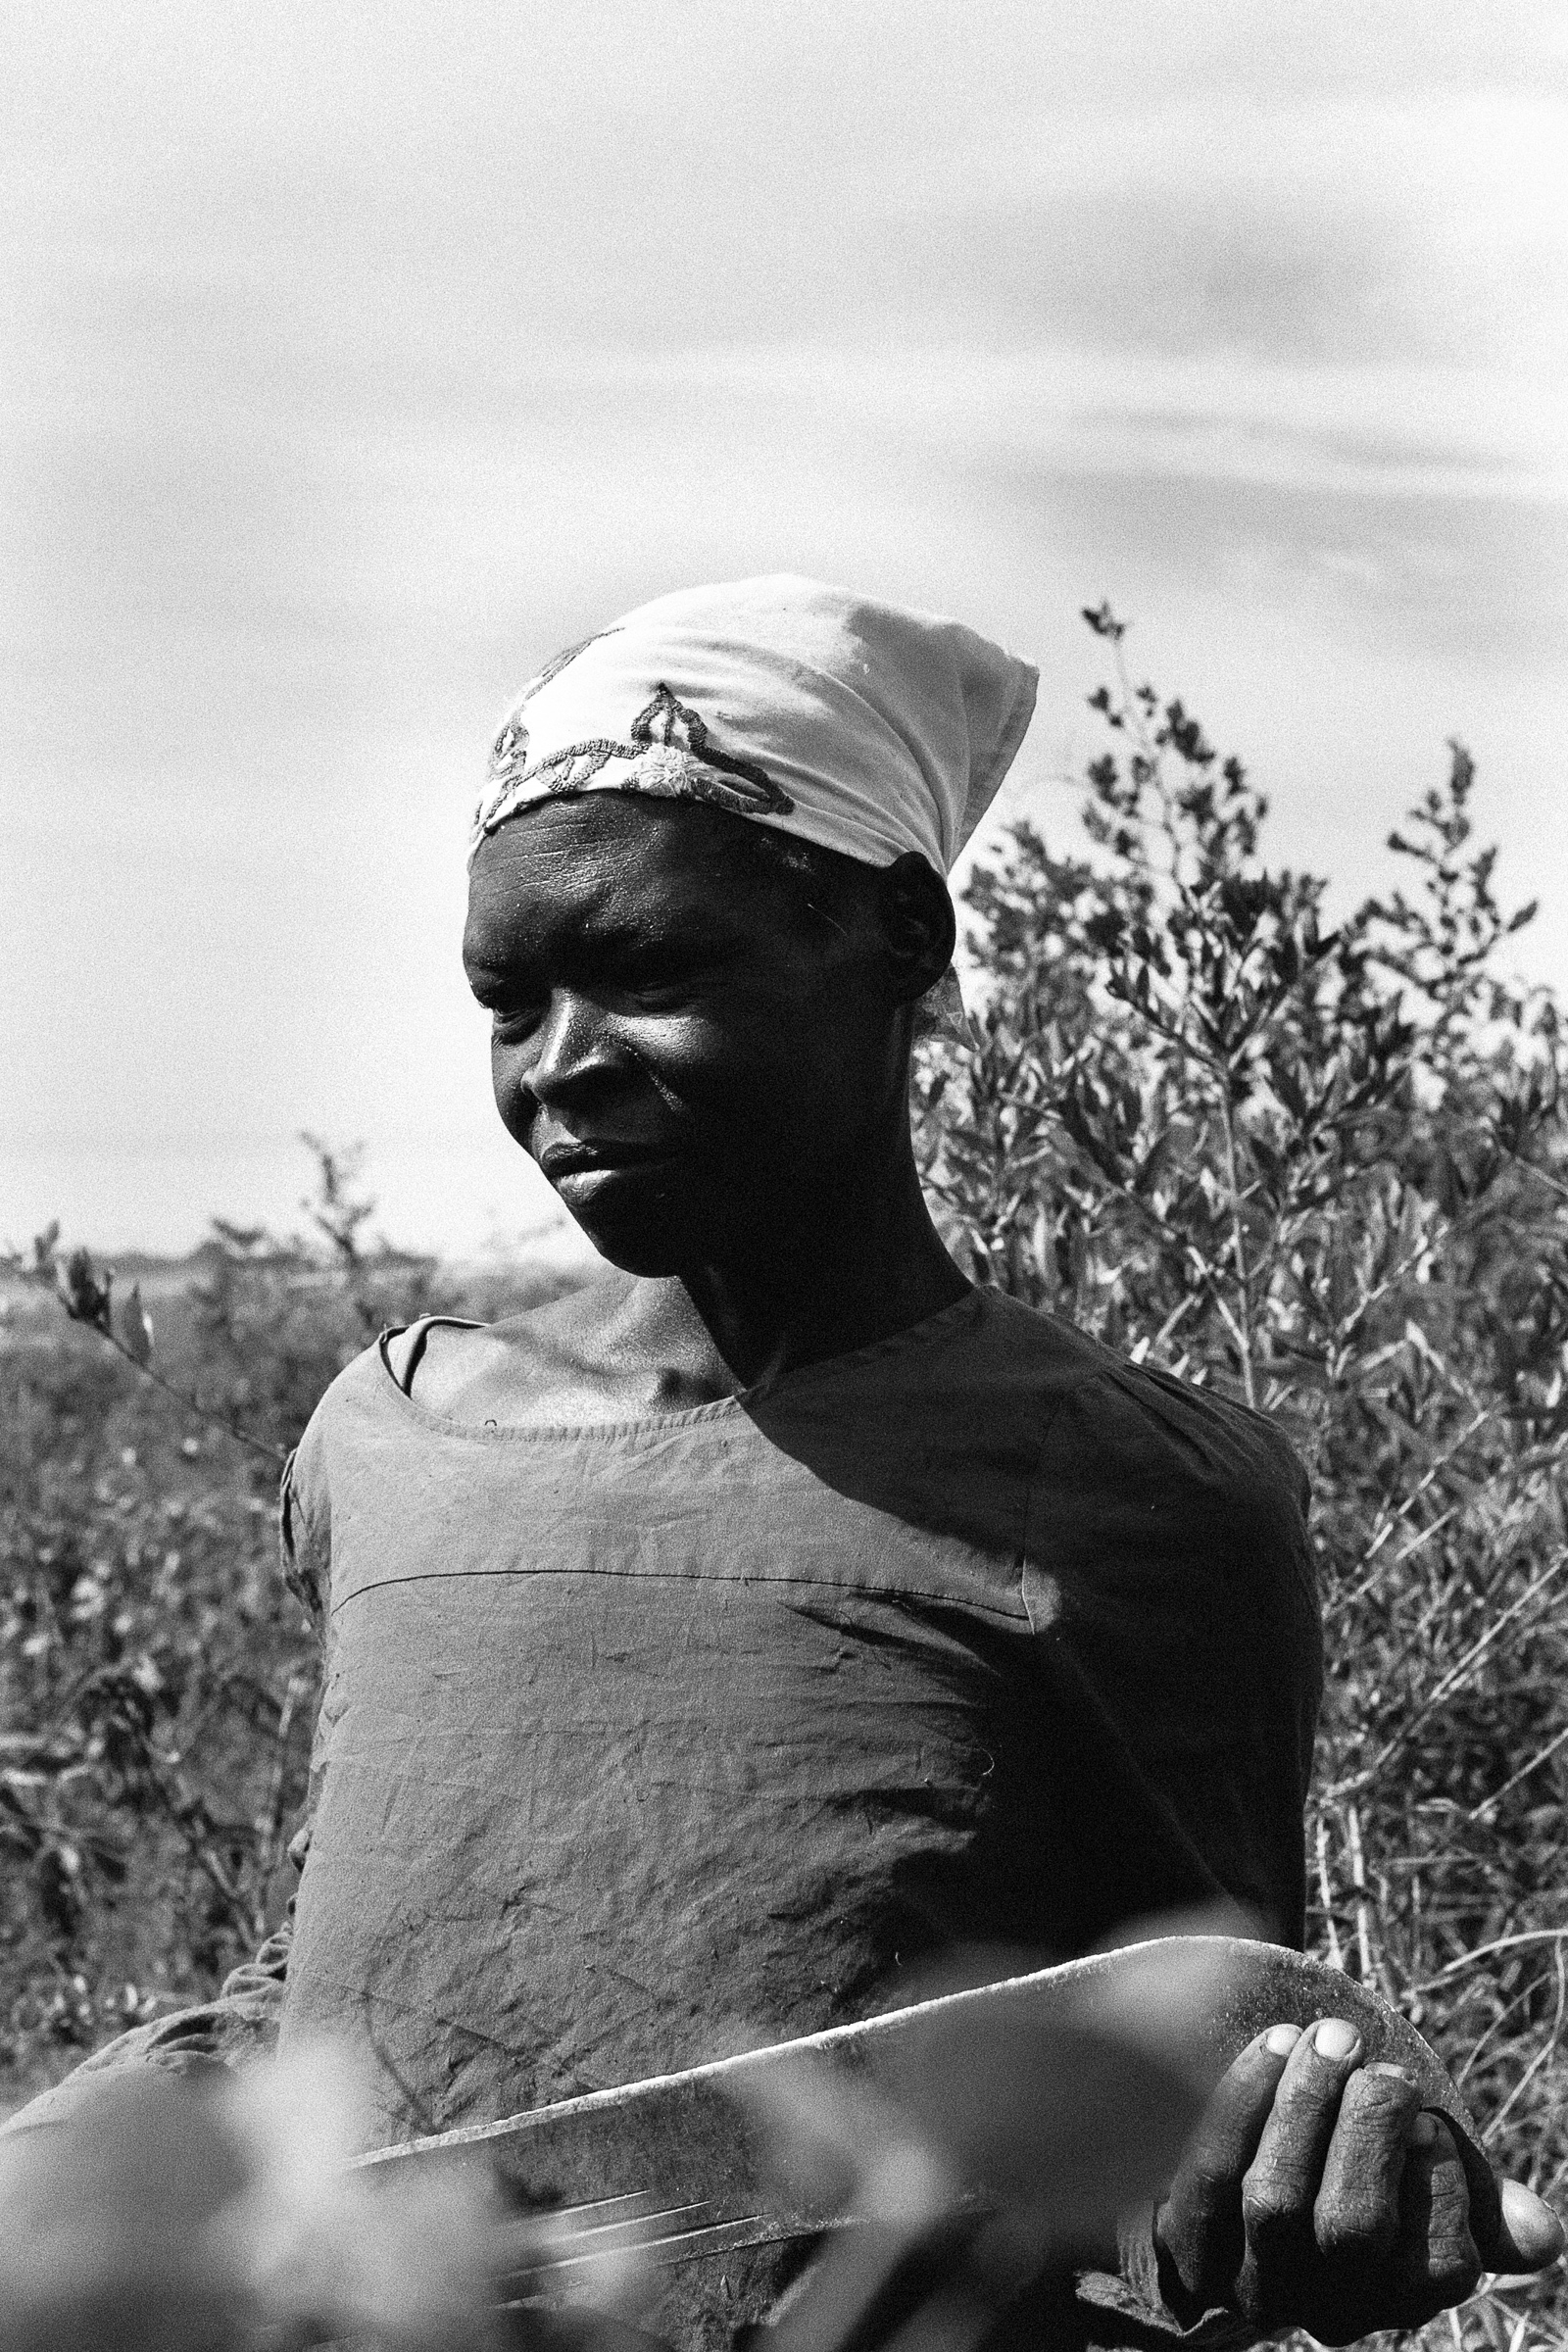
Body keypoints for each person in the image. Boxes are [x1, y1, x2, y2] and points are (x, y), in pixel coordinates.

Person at [9, 578, 1560, 2347]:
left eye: (649, 970)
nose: (560, 1069)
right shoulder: (396, 1437)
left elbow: (1174, 2103)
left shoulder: (1147, 1500)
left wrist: (1297, 2204)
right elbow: (338, 2000)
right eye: (507, 1002)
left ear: (899, 935)